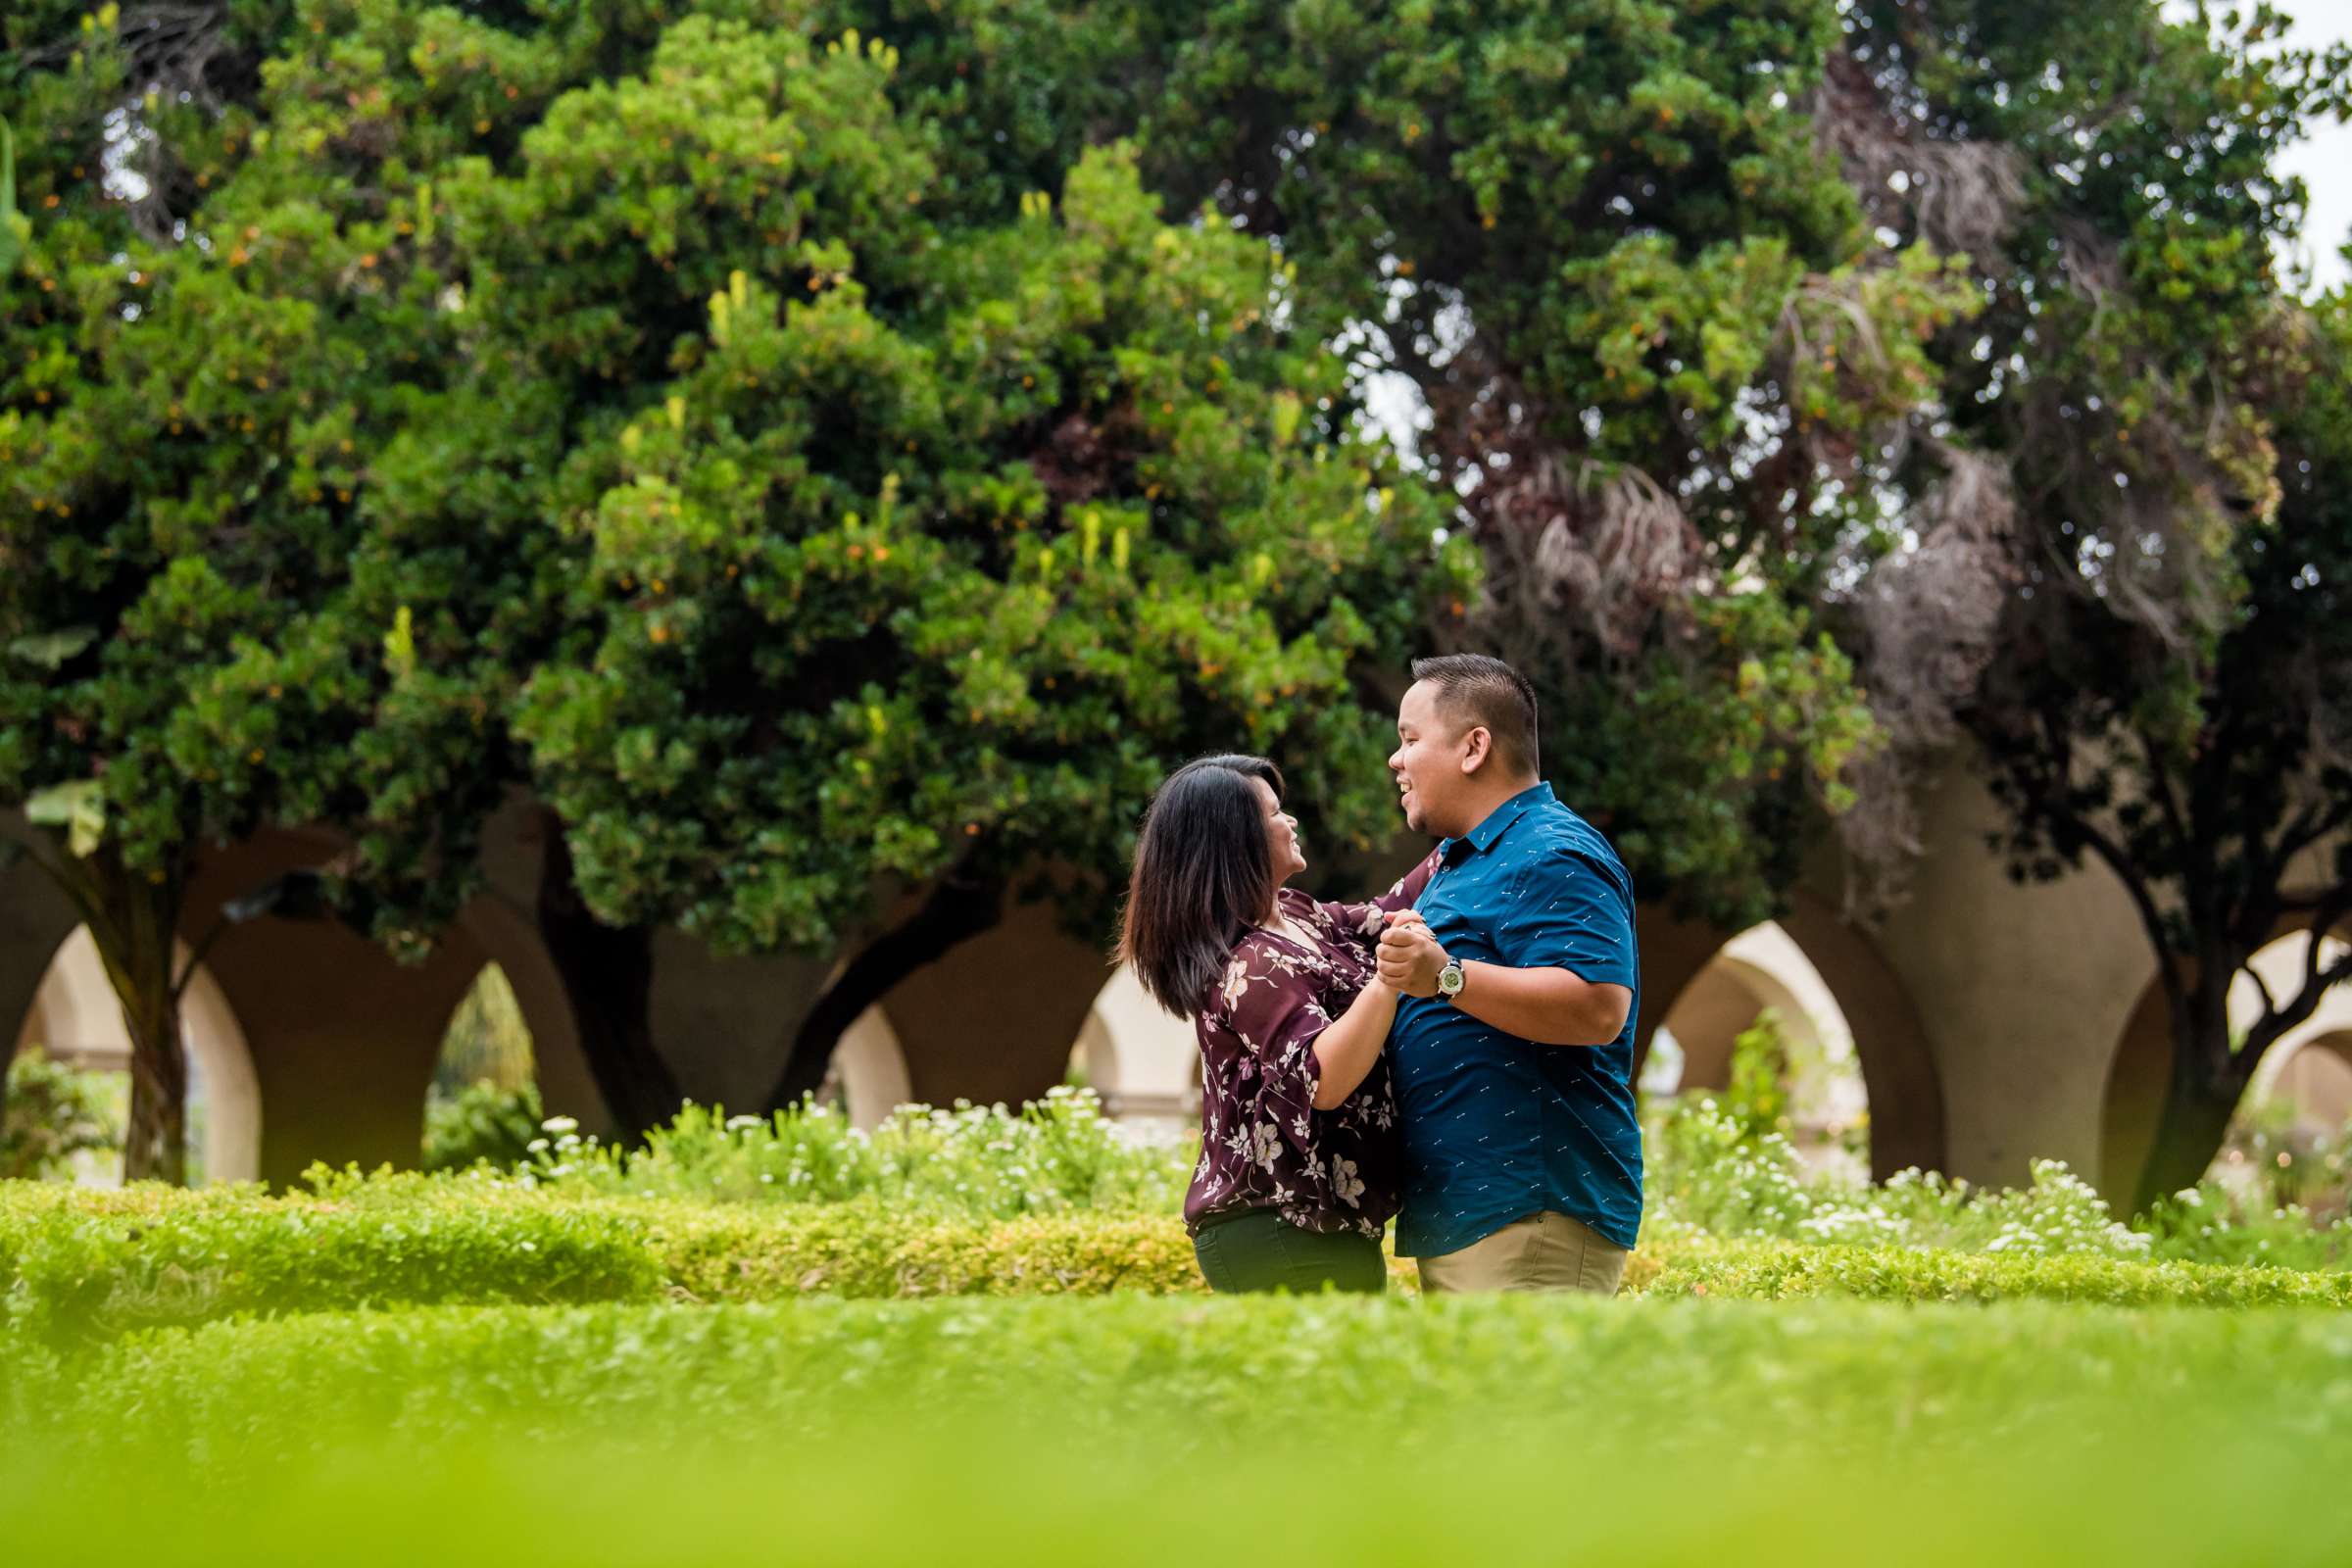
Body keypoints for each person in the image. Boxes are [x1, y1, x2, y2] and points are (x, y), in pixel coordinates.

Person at [1374, 654, 1643, 1295]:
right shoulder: (1459, 861)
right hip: (1482, 1214)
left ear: (1474, 747)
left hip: (1530, 1212)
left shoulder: (1551, 849)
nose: (1395, 759)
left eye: (1410, 739)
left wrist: (1446, 976)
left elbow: (1600, 1006)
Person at [1119, 754, 1438, 1294]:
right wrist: (1388, 979)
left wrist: (1472, 827)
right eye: (1273, 814)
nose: (1290, 821)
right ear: (1235, 839)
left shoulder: (1299, 916)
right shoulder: (1252, 963)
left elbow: (1397, 904)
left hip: (1316, 1227)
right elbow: (1323, 1078)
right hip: (1277, 1228)